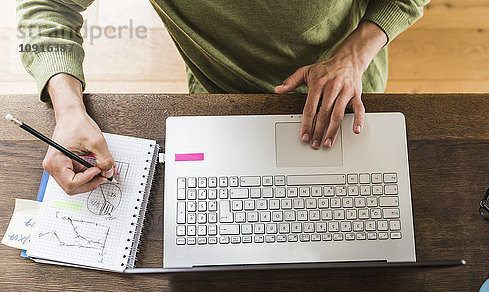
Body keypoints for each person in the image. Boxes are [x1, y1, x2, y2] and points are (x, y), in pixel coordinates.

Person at [17, 0, 427, 195]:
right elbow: (46, 6)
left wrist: (354, 54)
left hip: (348, 90)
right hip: (219, 102)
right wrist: (68, 111)